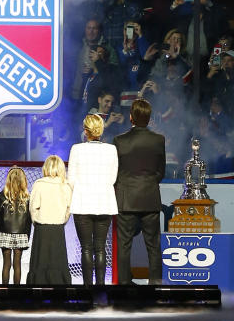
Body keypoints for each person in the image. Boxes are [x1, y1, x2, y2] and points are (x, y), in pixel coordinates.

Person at [113, 97, 166, 286]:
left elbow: (115, 172)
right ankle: (155, 284)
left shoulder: (119, 141)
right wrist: (148, 183)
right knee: (153, 245)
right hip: (150, 198)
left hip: (126, 200)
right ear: (149, 118)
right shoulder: (159, 140)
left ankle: (124, 284)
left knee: (124, 245)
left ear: (131, 118)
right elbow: (161, 172)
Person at [67, 112, 119, 288]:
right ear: (101, 130)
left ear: (85, 131)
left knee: (87, 248)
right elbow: (113, 178)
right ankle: (101, 288)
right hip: (104, 203)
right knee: (100, 248)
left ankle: (88, 288)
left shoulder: (77, 149)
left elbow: (71, 180)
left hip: (83, 203)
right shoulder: (111, 149)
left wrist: (84, 189)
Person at [27, 155, 73, 285]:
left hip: (42, 228)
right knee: (58, 260)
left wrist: (36, 220)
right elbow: (69, 208)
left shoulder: (39, 184)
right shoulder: (65, 185)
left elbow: (33, 207)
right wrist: (62, 220)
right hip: (58, 228)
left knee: (40, 261)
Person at [0, 165, 32, 286]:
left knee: (6, 264)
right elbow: (29, 220)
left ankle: (4, 290)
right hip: (21, 233)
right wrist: (27, 235)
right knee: (17, 264)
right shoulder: (26, 197)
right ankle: (17, 291)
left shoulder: (2, 195)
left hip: (5, 233)